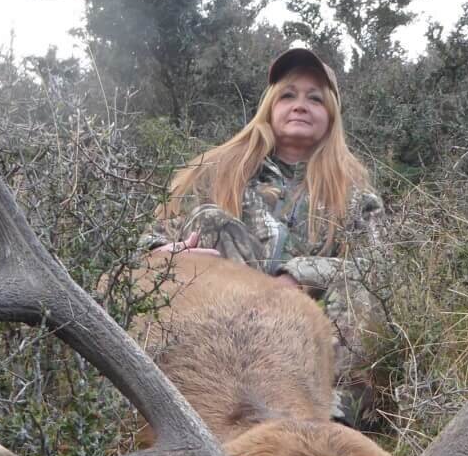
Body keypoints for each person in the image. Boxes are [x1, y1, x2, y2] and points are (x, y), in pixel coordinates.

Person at [142, 41, 384, 425]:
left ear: (332, 115)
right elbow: (144, 248)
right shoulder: (213, 172)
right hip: (216, 342)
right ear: (269, 107)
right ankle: (184, 396)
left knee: (364, 279)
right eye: (287, 94)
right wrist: (165, 251)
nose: (300, 104)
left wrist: (297, 276)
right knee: (209, 220)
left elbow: (375, 268)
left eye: (315, 99)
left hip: (308, 347)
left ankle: (332, 409)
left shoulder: (356, 197)